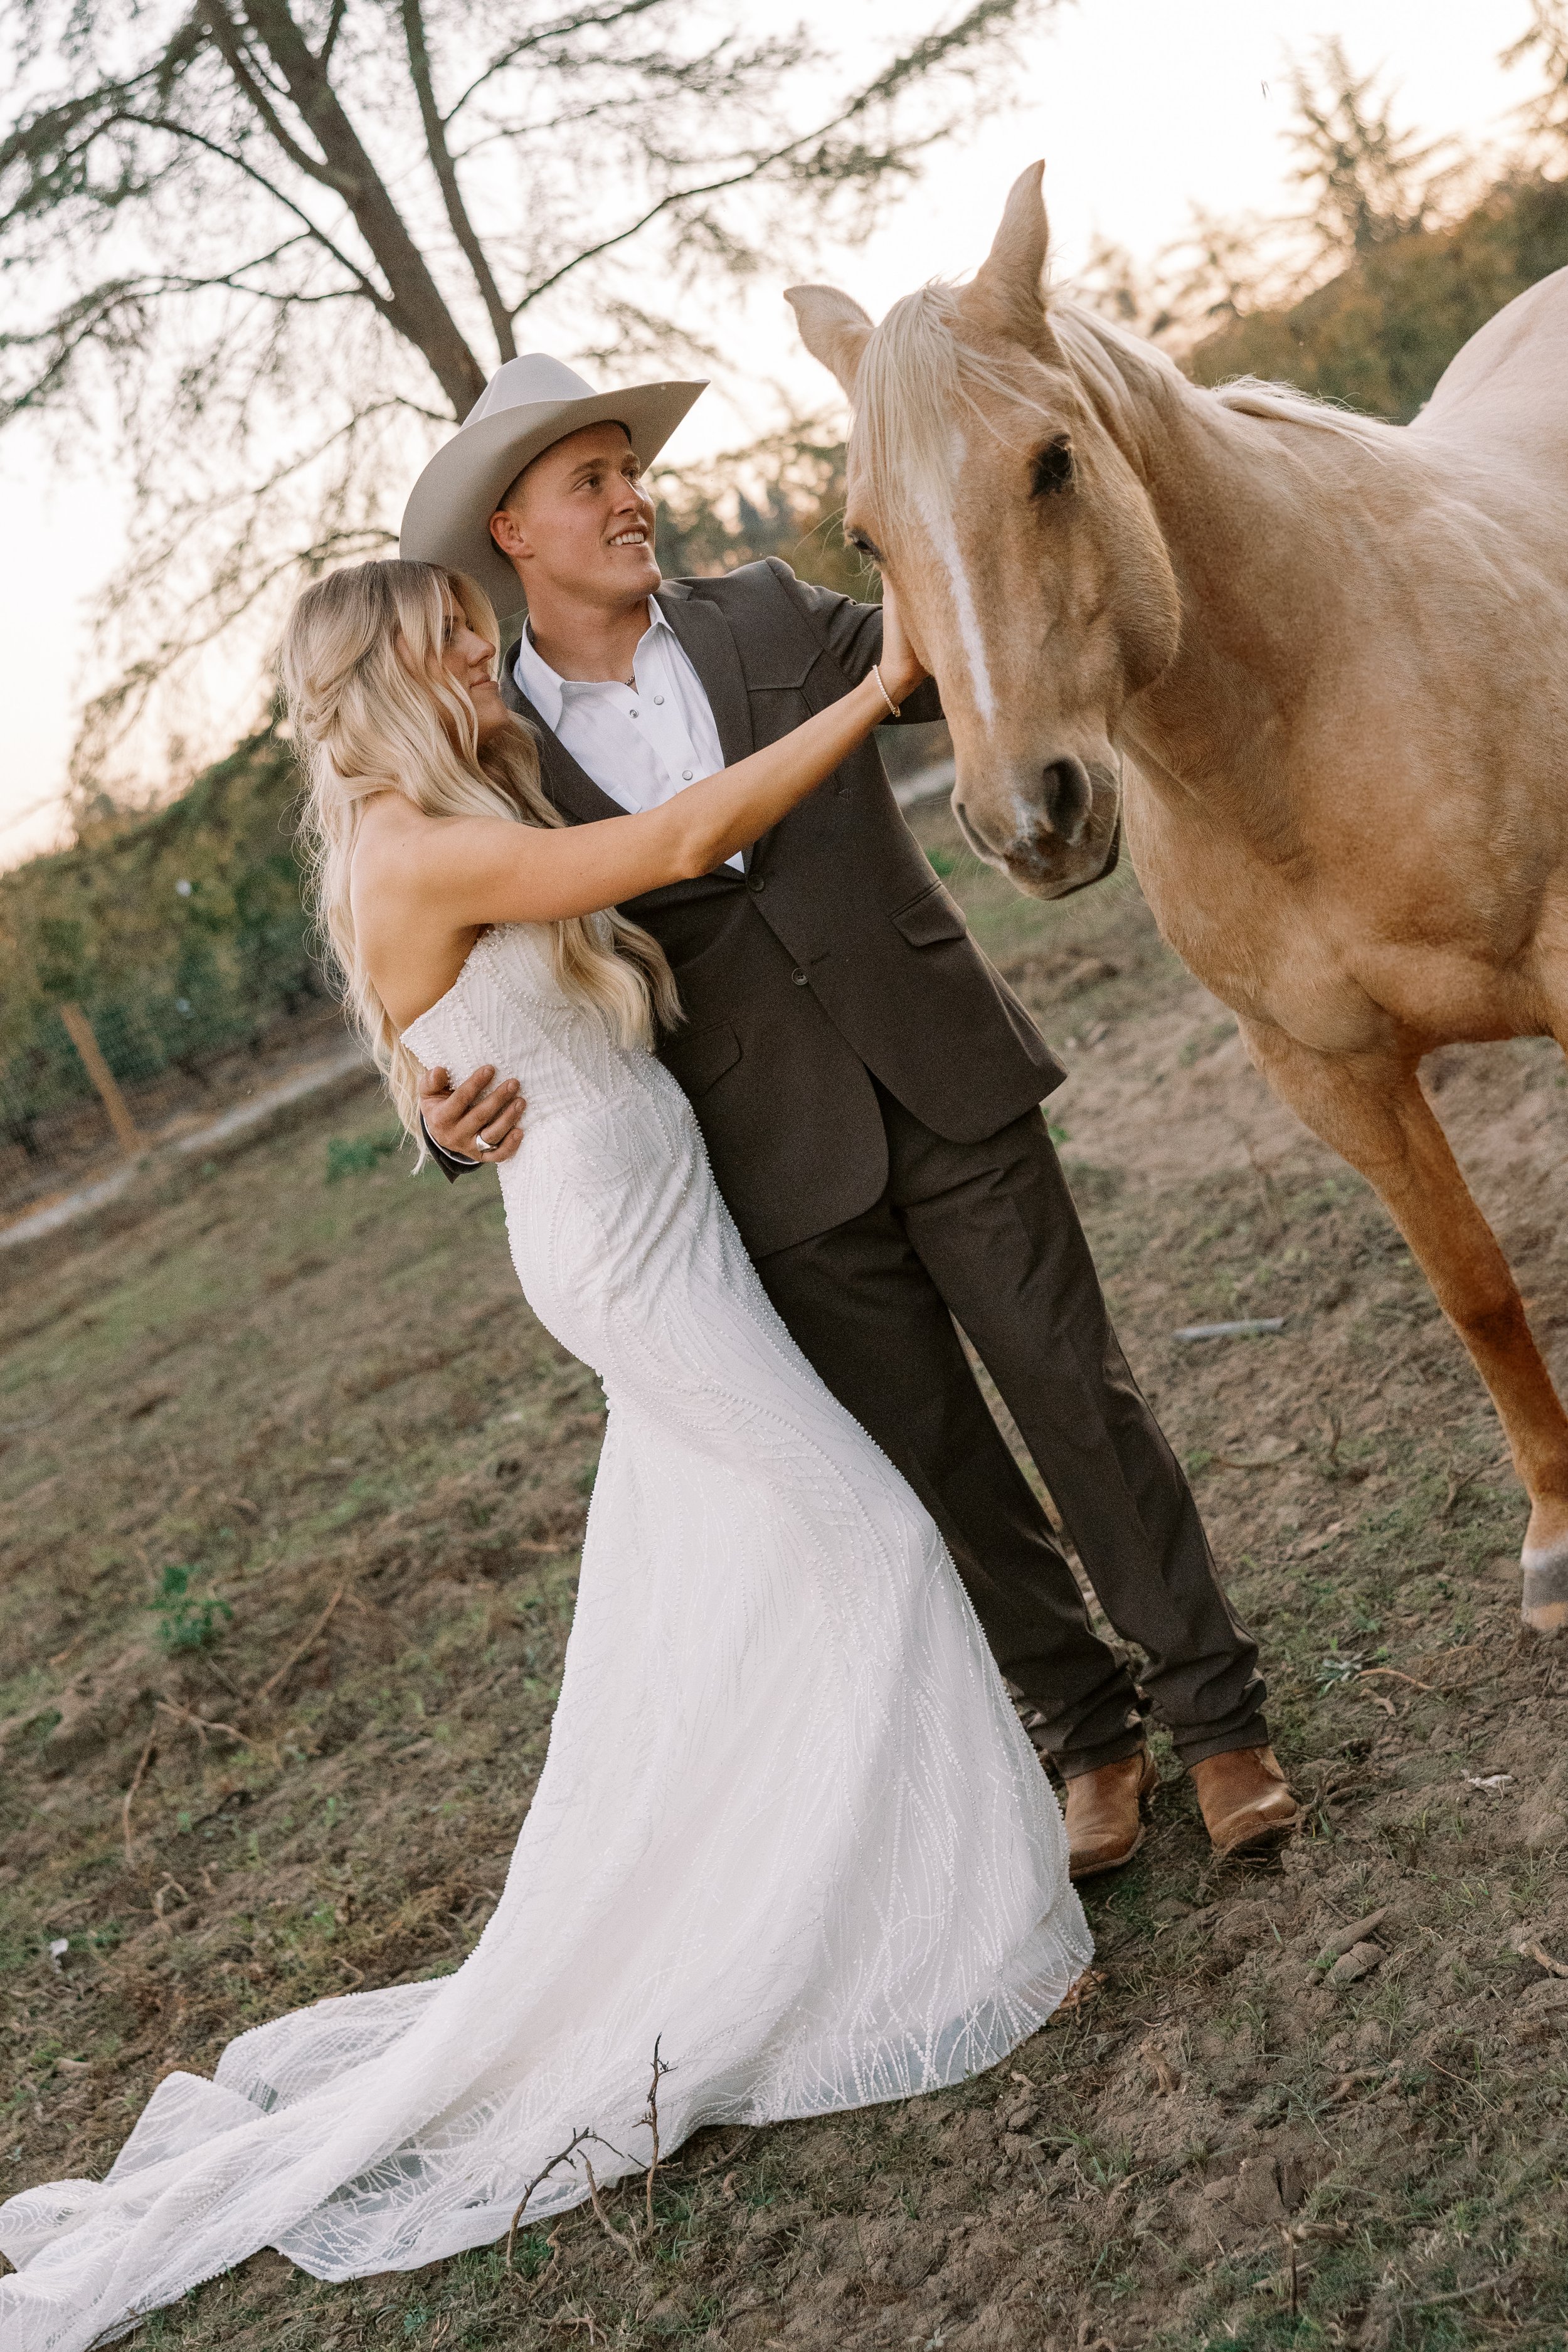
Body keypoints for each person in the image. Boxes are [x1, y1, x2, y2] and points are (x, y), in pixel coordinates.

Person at [0, 559, 1091, 2351]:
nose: (480, 659)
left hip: (663, 1217)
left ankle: (838, 1896)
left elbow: (479, 1025)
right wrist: (878, 680)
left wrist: (436, 1101)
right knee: (873, 1543)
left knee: (740, 1585)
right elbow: (688, 832)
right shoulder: (407, 847)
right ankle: (939, 1939)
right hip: (628, 1258)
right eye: (448, 642)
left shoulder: (431, 814)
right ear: (374, 677)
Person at [407, 352, 1301, 1875]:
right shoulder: (495, 762)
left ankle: (1218, 1724)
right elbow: (458, 962)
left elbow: (959, 651)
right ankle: (1089, 1737)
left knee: (1077, 1398)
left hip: (944, 1072)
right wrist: (443, 1115)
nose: (631, 499)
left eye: (629, 469)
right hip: (764, 1157)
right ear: (512, 529)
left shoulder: (762, 608)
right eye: (590, 482)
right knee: (939, 1462)